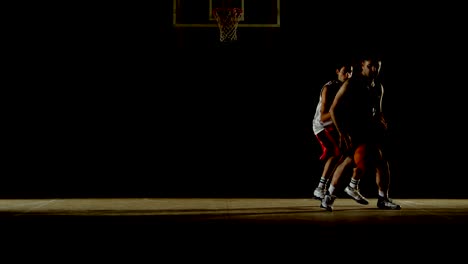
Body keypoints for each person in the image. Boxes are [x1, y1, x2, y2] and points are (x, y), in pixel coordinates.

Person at [320, 53, 401, 211]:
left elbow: (378, 111)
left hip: (369, 130)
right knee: (350, 162)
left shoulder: (378, 87)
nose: (374, 69)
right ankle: (329, 197)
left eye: (377, 66)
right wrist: (342, 132)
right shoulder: (351, 83)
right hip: (352, 130)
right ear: (362, 65)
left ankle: (382, 198)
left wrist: (381, 120)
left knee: (381, 162)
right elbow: (333, 109)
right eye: (370, 65)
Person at [312, 61, 354, 200]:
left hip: (336, 125)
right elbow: (324, 117)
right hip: (322, 126)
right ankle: (320, 188)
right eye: (345, 71)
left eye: (351, 72)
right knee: (335, 152)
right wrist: (337, 108)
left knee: (351, 152)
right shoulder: (329, 88)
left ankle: (352, 186)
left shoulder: (348, 88)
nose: (348, 75)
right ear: (337, 71)